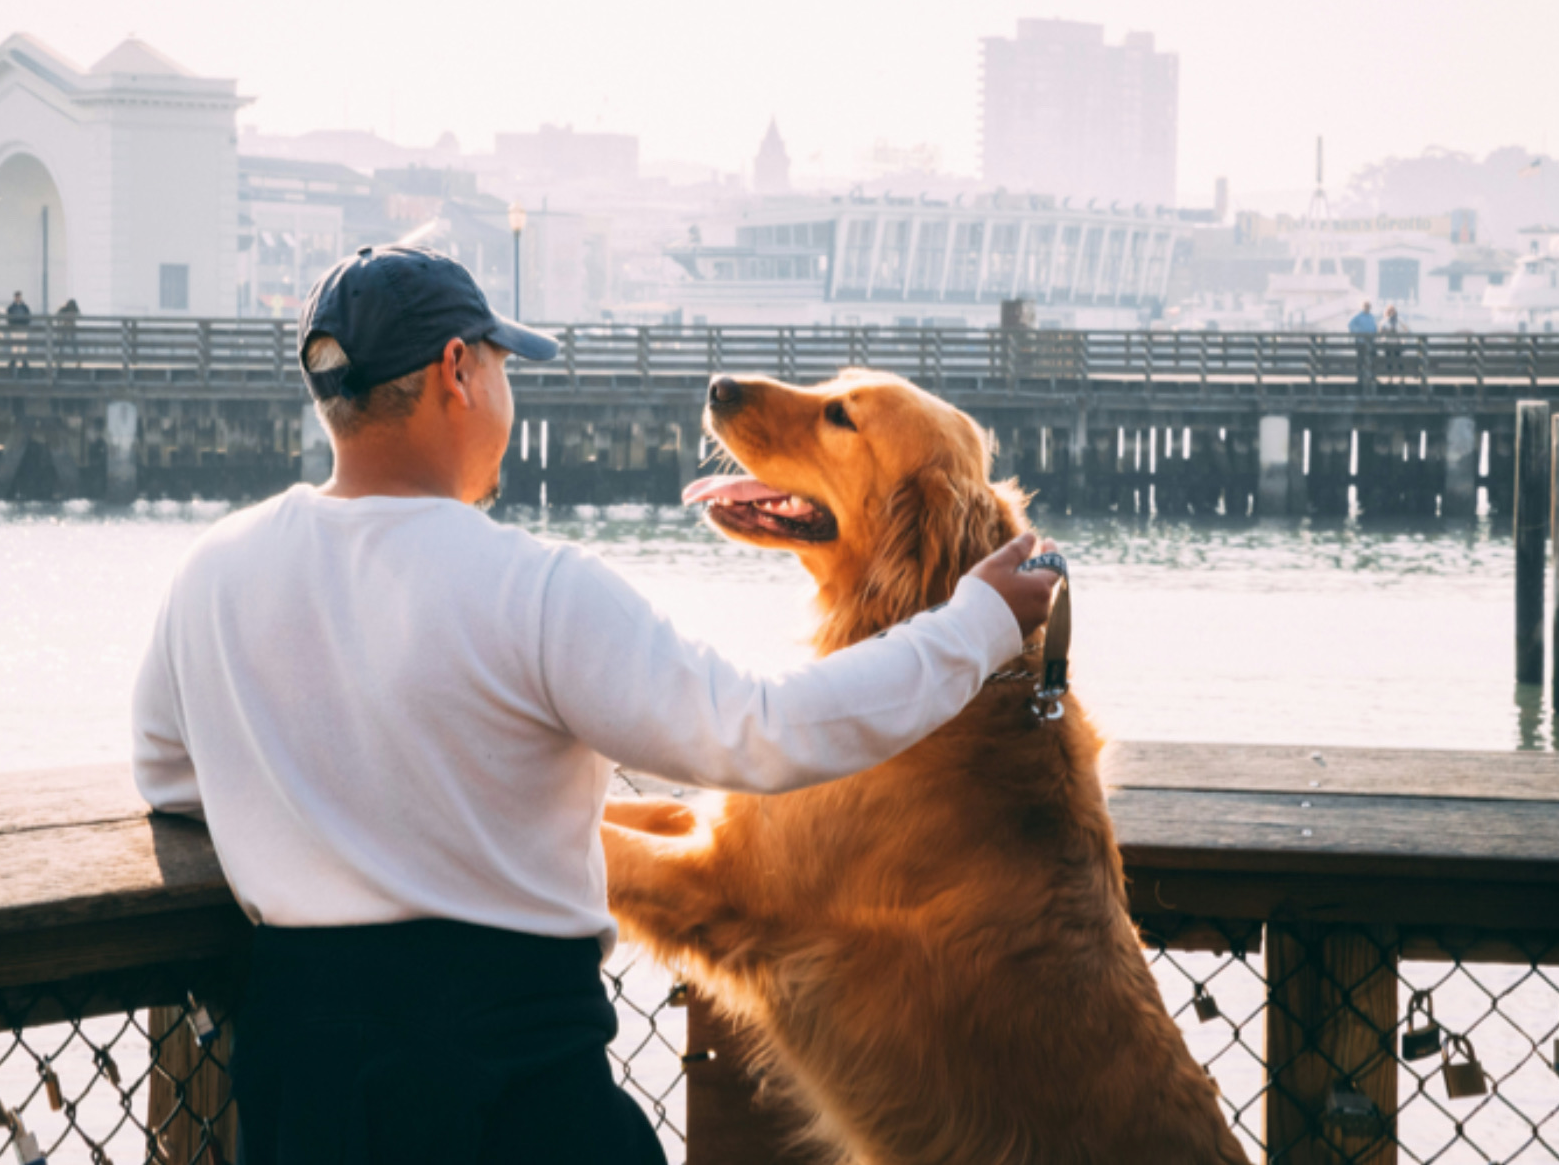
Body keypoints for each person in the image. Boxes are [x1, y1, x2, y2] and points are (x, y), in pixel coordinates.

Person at [131, 244, 1059, 1165]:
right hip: (509, 1071)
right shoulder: (534, 587)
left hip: (305, 1078)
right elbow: (758, 730)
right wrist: (975, 626)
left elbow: (169, 780)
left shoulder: (209, 573)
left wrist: (327, 808)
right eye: (501, 365)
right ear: (460, 372)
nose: (506, 389)